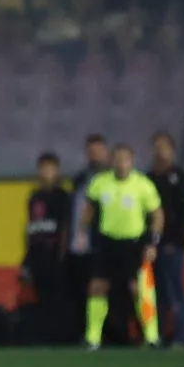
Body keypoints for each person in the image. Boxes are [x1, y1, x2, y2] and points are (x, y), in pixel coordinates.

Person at [78, 144, 164, 350]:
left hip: (133, 243)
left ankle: (152, 336)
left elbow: (157, 215)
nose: (121, 163)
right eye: (117, 159)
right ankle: (93, 338)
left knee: (139, 289)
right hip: (106, 241)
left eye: (125, 159)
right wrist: (82, 232)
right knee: (97, 286)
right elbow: (89, 207)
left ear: (132, 162)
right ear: (111, 161)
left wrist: (153, 242)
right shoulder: (100, 182)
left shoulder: (143, 185)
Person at [20, 152, 71, 344]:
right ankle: (45, 338)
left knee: (58, 299)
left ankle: (60, 338)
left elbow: (66, 227)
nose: (46, 173)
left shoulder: (62, 196)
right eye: (42, 168)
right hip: (37, 256)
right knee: (41, 297)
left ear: (57, 171)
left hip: (54, 256)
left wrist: (62, 255)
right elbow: (30, 227)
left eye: (50, 169)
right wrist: (27, 259)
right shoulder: (34, 196)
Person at [147, 132, 184, 348]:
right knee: (157, 293)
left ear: (172, 152)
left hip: (173, 246)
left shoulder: (180, 178)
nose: (159, 151)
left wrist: (174, 241)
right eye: (156, 146)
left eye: (164, 147)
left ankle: (181, 336)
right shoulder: (147, 179)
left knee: (176, 291)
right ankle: (159, 336)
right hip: (151, 246)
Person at [66, 134, 109, 344]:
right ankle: (86, 334)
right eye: (91, 151)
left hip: (104, 243)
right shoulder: (80, 179)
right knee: (81, 291)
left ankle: (109, 335)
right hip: (80, 244)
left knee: (104, 290)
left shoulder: (111, 178)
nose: (94, 155)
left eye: (98, 150)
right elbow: (73, 213)